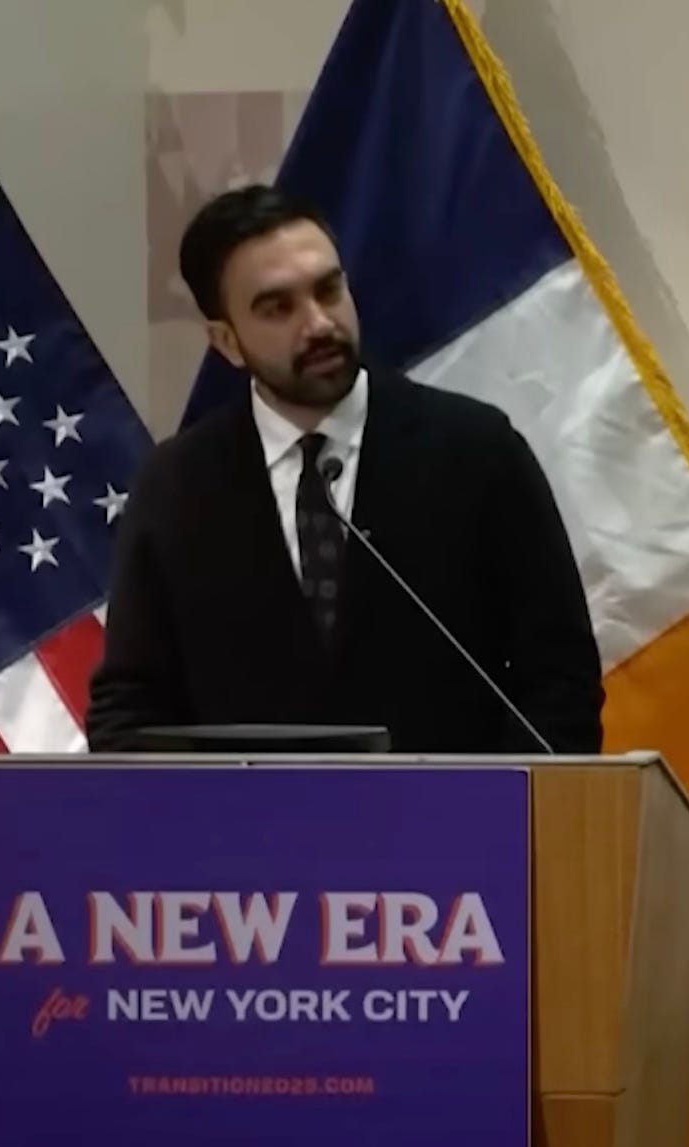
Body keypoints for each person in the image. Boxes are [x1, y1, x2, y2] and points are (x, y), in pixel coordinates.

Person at [86, 184, 603, 754]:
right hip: (250, 813)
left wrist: (497, 802)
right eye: (278, 308)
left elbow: (560, 677)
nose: (318, 324)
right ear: (227, 341)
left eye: (328, 291)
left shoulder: (477, 451)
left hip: (454, 808)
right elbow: (130, 706)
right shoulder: (176, 487)